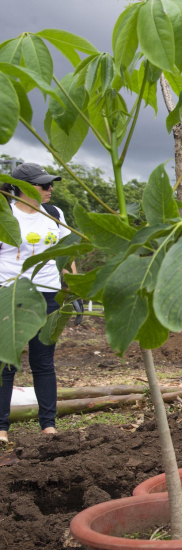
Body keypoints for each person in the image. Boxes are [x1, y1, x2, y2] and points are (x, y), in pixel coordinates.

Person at [0, 164, 75, 444]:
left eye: (49, 183)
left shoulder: (54, 214)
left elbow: (65, 254)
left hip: (48, 295)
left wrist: (74, 291)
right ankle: (1, 429)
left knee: (43, 362)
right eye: (43, 185)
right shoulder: (4, 213)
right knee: (6, 361)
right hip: (10, 294)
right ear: (21, 187)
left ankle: (48, 426)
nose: (49, 188)